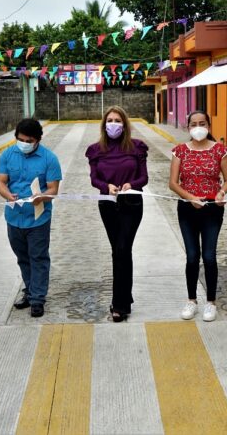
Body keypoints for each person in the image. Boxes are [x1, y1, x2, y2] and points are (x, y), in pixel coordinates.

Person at [85, 106, 148, 322]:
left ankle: (119, 304)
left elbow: (144, 178)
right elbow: (94, 179)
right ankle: (124, 298)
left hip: (131, 203)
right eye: (110, 120)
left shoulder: (136, 147)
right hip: (108, 204)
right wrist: (107, 186)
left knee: (122, 248)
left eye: (118, 120)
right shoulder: (95, 150)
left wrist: (131, 183)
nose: (113, 124)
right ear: (104, 124)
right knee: (119, 251)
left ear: (125, 124)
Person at [168, 110, 227, 322]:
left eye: (202, 123)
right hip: (187, 208)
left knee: (210, 256)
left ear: (209, 125)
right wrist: (191, 197)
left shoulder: (221, 151)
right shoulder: (180, 151)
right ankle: (191, 300)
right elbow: (173, 183)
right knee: (192, 256)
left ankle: (211, 302)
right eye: (194, 124)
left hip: (213, 208)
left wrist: (222, 192)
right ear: (188, 127)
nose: (198, 127)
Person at [0, 119, 62, 318]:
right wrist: (7, 194)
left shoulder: (49, 159)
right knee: (23, 257)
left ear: (38, 140)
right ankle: (30, 290)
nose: (24, 143)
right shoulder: (7, 155)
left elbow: (53, 189)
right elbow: (0, 182)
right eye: (20, 139)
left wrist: (42, 196)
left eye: (29, 140)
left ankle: (38, 299)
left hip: (38, 218)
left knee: (38, 257)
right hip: (14, 217)